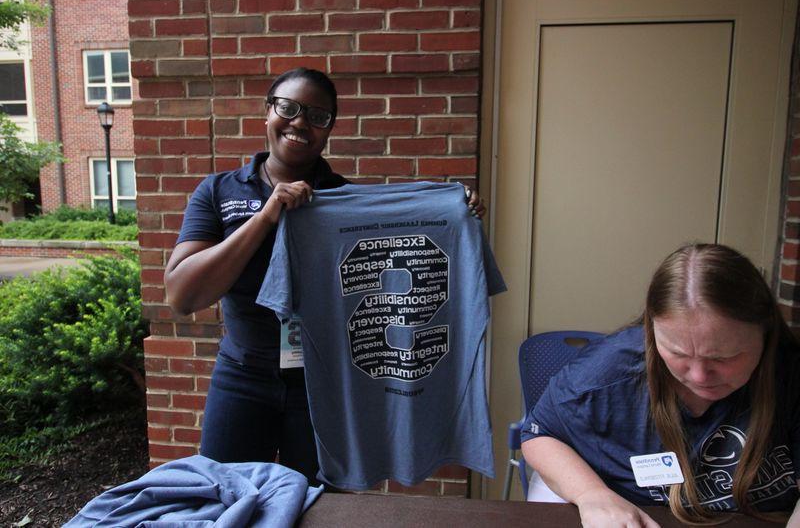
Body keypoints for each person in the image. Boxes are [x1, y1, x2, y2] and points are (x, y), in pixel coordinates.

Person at [164, 67, 486, 484]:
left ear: (329, 130)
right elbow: (182, 296)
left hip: (326, 386)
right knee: (225, 497)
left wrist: (454, 212)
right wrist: (266, 216)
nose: (300, 122)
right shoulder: (219, 191)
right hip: (243, 377)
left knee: (321, 506)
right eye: (288, 108)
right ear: (267, 113)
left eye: (318, 116)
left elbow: (407, 258)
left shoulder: (346, 202)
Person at [521, 243, 800, 526]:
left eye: (723, 357)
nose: (699, 376)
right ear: (651, 330)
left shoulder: (790, 376)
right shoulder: (604, 373)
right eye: (678, 353)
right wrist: (591, 494)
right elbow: (539, 434)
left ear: (765, 331)